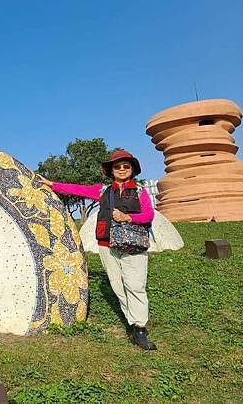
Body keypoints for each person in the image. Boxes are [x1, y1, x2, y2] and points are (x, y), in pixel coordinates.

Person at [38, 149, 157, 350]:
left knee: (135, 285)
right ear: (111, 170)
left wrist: (128, 217)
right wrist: (52, 185)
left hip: (133, 245)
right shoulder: (103, 191)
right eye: (117, 166)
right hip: (107, 244)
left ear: (132, 169)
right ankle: (131, 320)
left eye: (125, 166)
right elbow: (77, 190)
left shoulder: (139, 191)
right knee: (118, 285)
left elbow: (148, 215)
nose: (121, 169)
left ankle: (140, 329)